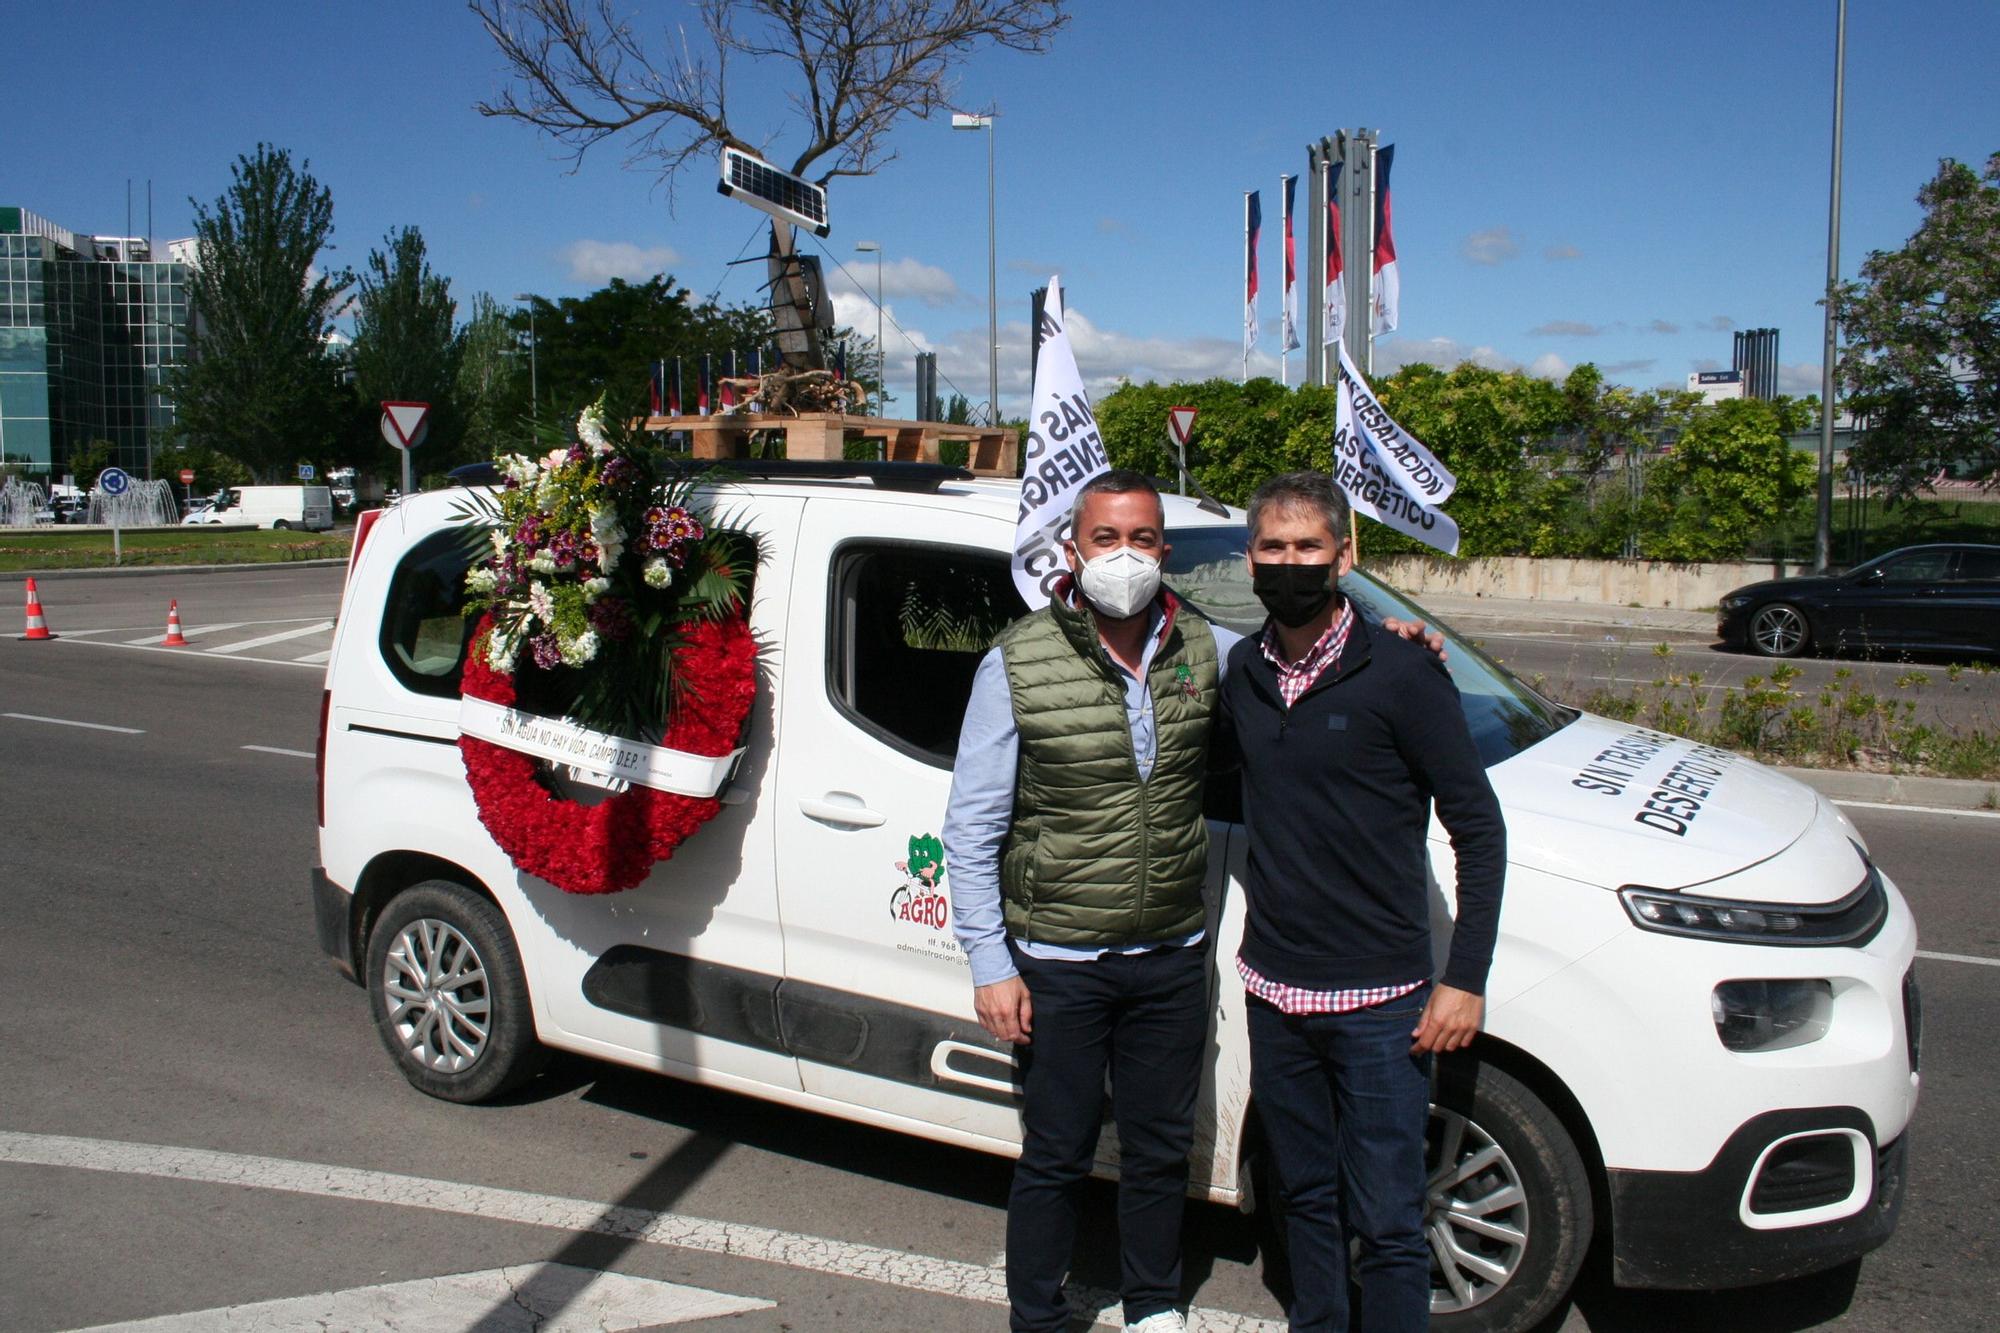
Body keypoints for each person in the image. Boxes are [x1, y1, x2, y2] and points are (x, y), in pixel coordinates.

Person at [1217, 471, 1506, 1333]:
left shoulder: (1403, 673)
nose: (1290, 562)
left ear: (1344, 556)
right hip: (1277, 991)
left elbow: (1479, 831)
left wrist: (1465, 978)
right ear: (1250, 558)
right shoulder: (1243, 670)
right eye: (1274, 547)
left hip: (1383, 1005)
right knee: (1302, 1200)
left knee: (1386, 1219)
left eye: (1309, 547)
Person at [944, 469, 1218, 1333]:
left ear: (1163, 549)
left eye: (1142, 539)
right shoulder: (1016, 660)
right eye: (1107, 538)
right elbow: (972, 824)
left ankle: (1153, 1302)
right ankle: (1039, 1312)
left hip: (1170, 953)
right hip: (1059, 959)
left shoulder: (1202, 646)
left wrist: (1396, 640)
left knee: (1159, 1148)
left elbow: (1299, 671)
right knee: (1056, 1154)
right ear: (1074, 549)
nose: (1125, 556)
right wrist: (992, 963)